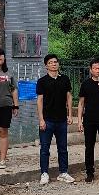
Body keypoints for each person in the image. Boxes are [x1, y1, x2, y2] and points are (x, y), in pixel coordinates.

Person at [36, 53, 74, 185]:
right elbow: (39, 101)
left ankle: (63, 172)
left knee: (63, 148)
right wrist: (41, 119)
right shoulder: (42, 81)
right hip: (47, 120)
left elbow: (69, 97)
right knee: (45, 148)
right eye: (51, 62)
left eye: (55, 62)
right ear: (46, 65)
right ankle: (44, 173)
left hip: (62, 119)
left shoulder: (65, 79)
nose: (54, 64)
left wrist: (70, 115)